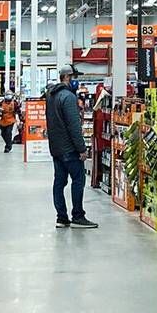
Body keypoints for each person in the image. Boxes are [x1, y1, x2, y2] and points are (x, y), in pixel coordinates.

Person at [46, 65, 97, 229]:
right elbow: (74, 126)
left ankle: (61, 217)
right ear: (67, 77)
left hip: (56, 148)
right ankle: (78, 215)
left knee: (59, 182)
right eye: (75, 77)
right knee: (78, 180)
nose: (77, 82)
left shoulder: (51, 95)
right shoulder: (68, 97)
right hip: (69, 148)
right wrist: (81, 149)